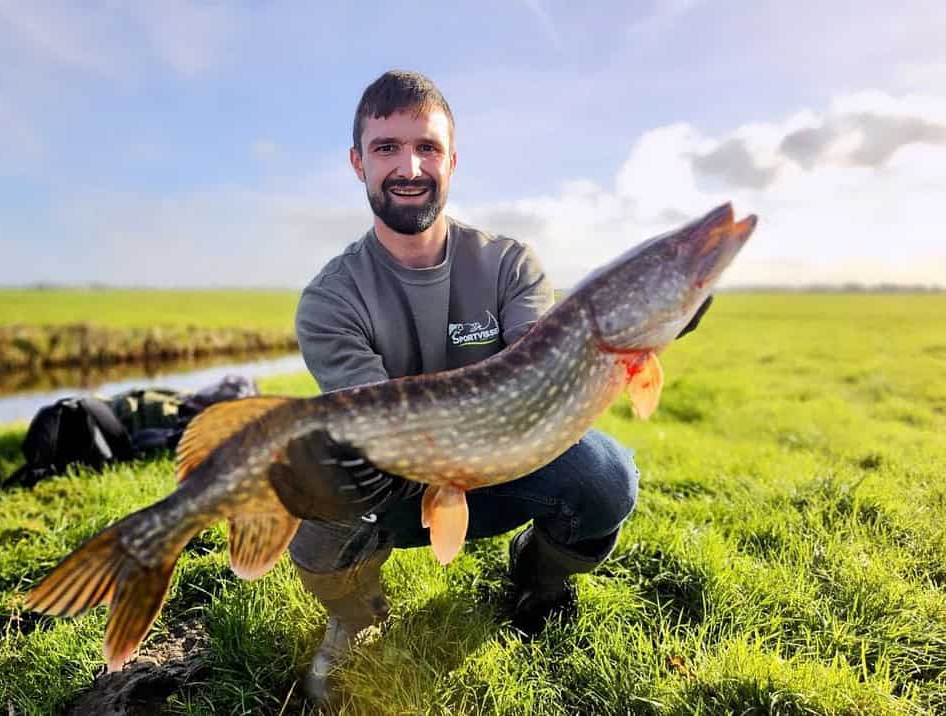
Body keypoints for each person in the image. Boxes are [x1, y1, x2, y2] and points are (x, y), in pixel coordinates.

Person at [268, 69, 710, 703]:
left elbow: (550, 366)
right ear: (356, 162)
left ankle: (538, 578)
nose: (409, 166)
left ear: (452, 160)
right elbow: (380, 431)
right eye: (387, 148)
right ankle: (358, 618)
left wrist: (645, 327)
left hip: (504, 457)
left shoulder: (509, 264)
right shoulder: (330, 299)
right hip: (393, 482)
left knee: (605, 476)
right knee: (313, 492)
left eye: (427, 147)